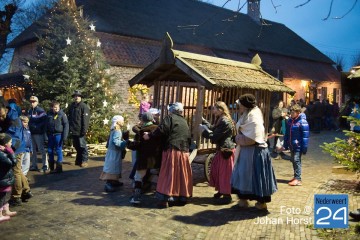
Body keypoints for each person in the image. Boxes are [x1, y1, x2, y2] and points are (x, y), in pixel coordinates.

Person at [231, 94, 277, 210]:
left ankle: (261, 203)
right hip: (246, 151)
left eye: (240, 104)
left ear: (245, 106)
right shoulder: (246, 115)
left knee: (256, 176)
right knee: (243, 174)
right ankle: (243, 199)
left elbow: (252, 138)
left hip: (255, 152)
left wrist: (237, 139)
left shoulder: (253, 117)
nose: (239, 106)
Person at [143, 102, 192, 208]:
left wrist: (149, 135)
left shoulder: (169, 118)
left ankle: (165, 199)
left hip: (172, 150)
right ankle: (182, 197)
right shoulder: (184, 121)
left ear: (172, 110)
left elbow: (161, 130)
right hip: (183, 151)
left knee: (168, 173)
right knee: (181, 174)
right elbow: (188, 136)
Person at [201, 101, 235, 204]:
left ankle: (227, 195)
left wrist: (203, 132)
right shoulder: (220, 119)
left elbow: (215, 136)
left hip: (226, 150)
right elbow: (214, 128)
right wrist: (203, 121)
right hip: (221, 149)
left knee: (225, 173)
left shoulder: (225, 121)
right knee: (217, 171)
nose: (213, 111)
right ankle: (221, 190)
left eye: (215, 109)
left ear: (220, 109)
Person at [127, 112, 162, 204]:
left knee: (138, 177)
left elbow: (135, 146)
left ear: (142, 120)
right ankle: (162, 195)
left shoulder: (141, 131)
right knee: (160, 177)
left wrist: (127, 141)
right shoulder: (157, 129)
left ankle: (136, 198)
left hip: (144, 159)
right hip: (156, 159)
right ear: (152, 120)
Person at [3, 105, 33, 206]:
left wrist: (9, 147)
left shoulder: (12, 119)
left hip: (15, 147)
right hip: (18, 146)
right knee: (19, 171)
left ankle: (16, 196)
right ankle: (26, 191)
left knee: (15, 172)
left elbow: (12, 135)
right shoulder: (14, 117)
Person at [281, 104, 309, 186]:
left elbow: (305, 136)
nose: (291, 114)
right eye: (291, 112)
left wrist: (304, 148)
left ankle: (298, 179)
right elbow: (287, 134)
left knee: (296, 160)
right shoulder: (290, 120)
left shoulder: (302, 121)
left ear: (298, 112)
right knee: (293, 160)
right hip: (292, 145)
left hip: (298, 145)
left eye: (293, 112)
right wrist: (285, 145)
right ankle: (296, 176)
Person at [99, 115, 128, 192]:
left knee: (115, 166)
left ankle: (115, 181)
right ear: (118, 122)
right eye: (122, 120)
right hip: (114, 152)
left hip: (112, 151)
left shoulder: (114, 129)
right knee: (113, 167)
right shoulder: (117, 130)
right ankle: (109, 183)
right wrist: (125, 142)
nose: (123, 122)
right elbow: (116, 142)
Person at [68, 90, 90, 167]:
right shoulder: (72, 106)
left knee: (83, 146)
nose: (76, 97)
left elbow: (85, 120)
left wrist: (84, 130)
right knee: (77, 146)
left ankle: (85, 161)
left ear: (81, 97)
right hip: (74, 130)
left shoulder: (84, 106)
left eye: (78, 96)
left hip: (80, 130)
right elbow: (70, 118)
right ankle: (78, 160)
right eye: (75, 96)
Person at [46, 101, 69, 173]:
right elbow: (46, 125)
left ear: (59, 107)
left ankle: (59, 168)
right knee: (50, 151)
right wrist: (45, 136)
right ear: (52, 107)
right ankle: (51, 167)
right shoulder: (49, 114)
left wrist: (64, 137)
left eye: (57, 107)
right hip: (50, 135)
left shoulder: (62, 115)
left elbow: (66, 125)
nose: (55, 109)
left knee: (58, 150)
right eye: (54, 107)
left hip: (58, 135)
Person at [28, 96, 48, 172]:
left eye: (34, 101)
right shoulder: (30, 111)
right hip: (31, 133)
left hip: (39, 133)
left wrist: (36, 127)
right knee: (33, 150)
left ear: (37, 102)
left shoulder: (40, 110)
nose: (32, 103)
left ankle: (45, 166)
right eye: (31, 102)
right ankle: (34, 165)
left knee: (41, 149)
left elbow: (45, 122)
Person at [0, 133, 17, 223]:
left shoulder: (3, 152)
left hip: (5, 179)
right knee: (1, 197)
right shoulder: (1, 154)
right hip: (2, 179)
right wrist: (10, 151)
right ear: (6, 144)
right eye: (10, 142)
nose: (11, 143)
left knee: (6, 196)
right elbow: (12, 163)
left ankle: (6, 211)